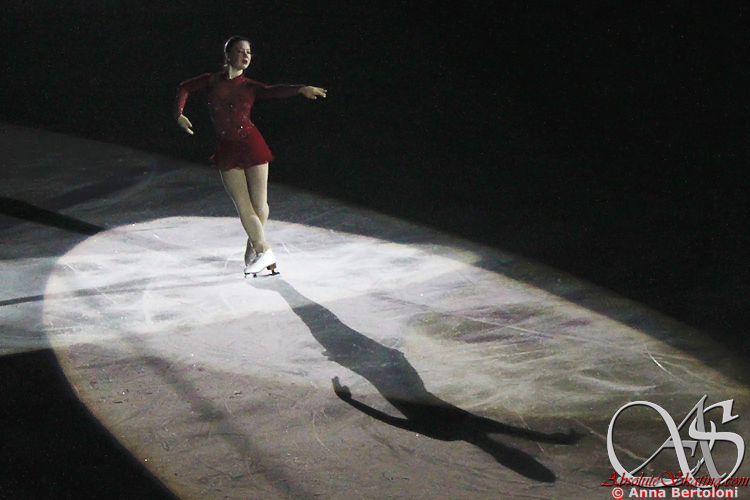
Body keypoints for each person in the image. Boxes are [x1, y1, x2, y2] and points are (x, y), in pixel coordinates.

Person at [174, 36, 326, 276]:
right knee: (244, 206)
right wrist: (179, 114)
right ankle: (261, 248)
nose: (246, 55)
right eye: (240, 51)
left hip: (252, 144)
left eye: (248, 52)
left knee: (260, 205)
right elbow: (184, 87)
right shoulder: (211, 80)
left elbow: (273, 91)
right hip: (227, 148)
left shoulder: (250, 86)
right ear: (227, 55)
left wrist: (299, 89)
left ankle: (258, 248)